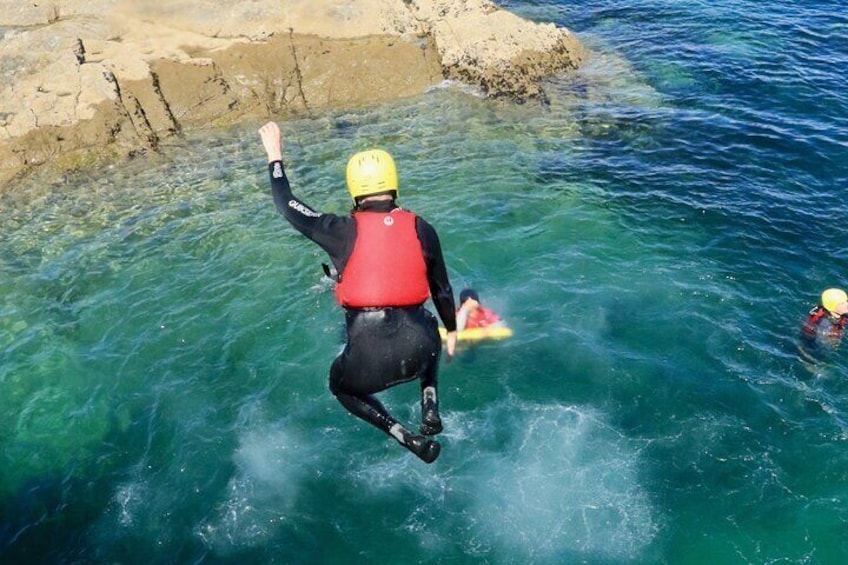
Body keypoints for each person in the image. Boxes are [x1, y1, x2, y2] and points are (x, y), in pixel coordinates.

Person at [258, 121, 457, 464]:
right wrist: (452, 330)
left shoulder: (340, 231)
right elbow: (441, 288)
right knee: (429, 330)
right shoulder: (422, 227)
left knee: (340, 386)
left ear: (355, 189)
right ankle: (429, 398)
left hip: (368, 360)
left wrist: (275, 154)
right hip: (421, 345)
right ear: (393, 184)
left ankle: (401, 433)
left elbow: (286, 203)